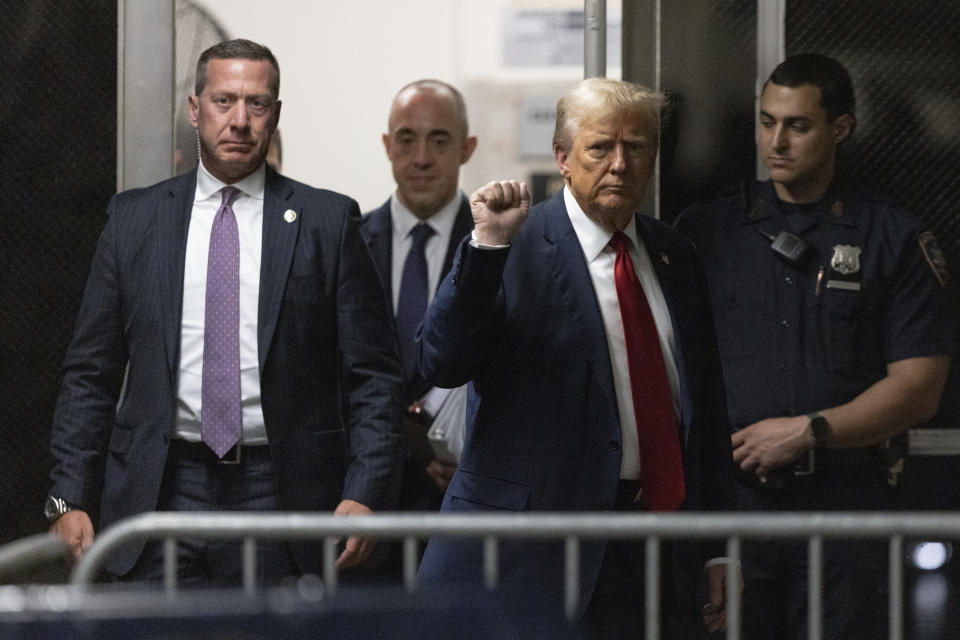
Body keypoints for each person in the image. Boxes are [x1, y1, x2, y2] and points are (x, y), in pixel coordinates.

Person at [45, 39, 404, 584]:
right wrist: (67, 494)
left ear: (275, 114)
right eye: (223, 101)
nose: (239, 120)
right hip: (160, 486)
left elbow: (374, 376)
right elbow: (90, 374)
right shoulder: (134, 220)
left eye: (257, 104)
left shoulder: (327, 222)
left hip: (278, 488)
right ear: (195, 108)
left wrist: (366, 489)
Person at [416, 77, 735, 638]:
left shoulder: (674, 255)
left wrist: (717, 550)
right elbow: (440, 360)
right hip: (529, 554)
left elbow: (704, 414)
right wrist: (486, 249)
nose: (619, 164)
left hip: (650, 549)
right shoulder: (511, 243)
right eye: (600, 147)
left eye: (636, 147)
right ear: (562, 158)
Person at [675, 53, 955, 639]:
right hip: (735, 511)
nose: (776, 141)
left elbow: (918, 388)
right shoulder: (706, 234)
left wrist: (808, 430)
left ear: (840, 128)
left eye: (797, 125)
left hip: (844, 508)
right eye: (766, 121)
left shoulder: (890, 238)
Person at [361, 79, 477, 513]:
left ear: (467, 148)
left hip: (465, 496)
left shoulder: (503, 250)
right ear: (388, 145)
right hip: (369, 499)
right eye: (407, 139)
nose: (422, 158)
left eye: (439, 139)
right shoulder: (348, 244)